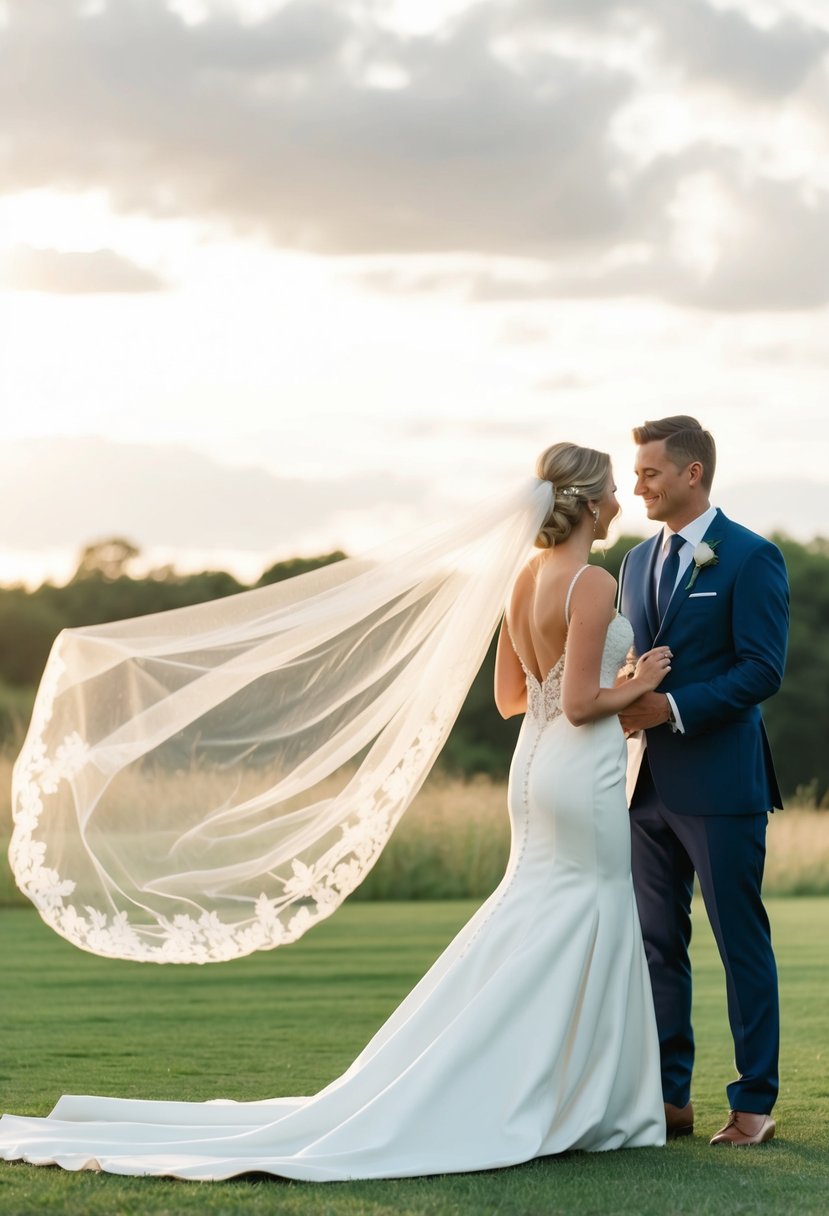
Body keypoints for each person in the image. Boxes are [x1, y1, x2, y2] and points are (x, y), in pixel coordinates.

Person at [0, 443, 668, 1180]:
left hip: (531, 774)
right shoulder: (592, 584)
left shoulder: (520, 583)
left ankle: (535, 1083)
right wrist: (640, 683)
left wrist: (603, 688)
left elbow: (516, 700)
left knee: (539, 914)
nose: (617, 503)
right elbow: (579, 705)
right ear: (586, 501)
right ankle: (592, 1099)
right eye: (610, 491)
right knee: (594, 908)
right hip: (580, 770)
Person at [617, 416, 789, 1148]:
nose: (637, 485)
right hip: (641, 786)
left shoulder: (751, 557)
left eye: (650, 472)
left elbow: (761, 669)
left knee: (737, 941)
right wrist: (626, 698)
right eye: (637, 473)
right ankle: (668, 1098)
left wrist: (673, 707)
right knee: (656, 944)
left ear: (692, 473)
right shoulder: (630, 562)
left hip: (720, 786)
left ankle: (753, 1102)